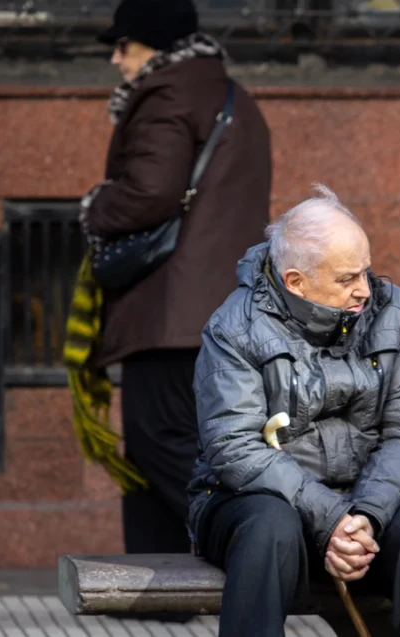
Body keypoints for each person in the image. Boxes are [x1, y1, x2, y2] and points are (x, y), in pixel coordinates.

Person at [187, 185, 400, 636]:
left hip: (366, 502)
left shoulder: (395, 311)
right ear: (295, 282)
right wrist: (330, 518)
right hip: (252, 503)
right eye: (346, 279)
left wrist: (365, 518)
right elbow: (234, 447)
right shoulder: (234, 326)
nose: (364, 290)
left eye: (365, 271)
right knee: (271, 530)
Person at [68, 0, 273, 554]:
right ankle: (159, 580)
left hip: (171, 312)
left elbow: (149, 193)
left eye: (123, 45)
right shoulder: (233, 97)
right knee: (173, 446)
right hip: (222, 306)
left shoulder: (167, 95)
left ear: (155, 43)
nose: (116, 59)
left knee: (160, 439)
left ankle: (259, 536)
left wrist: (94, 207)